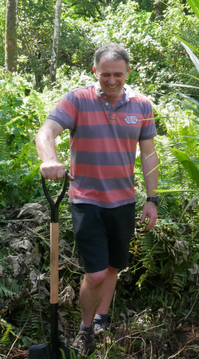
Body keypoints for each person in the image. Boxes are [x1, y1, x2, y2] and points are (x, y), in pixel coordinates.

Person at [35, 43, 159, 356]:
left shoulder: (142, 106)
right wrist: (50, 158)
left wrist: (152, 198)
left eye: (118, 74)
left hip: (123, 202)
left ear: (128, 72)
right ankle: (86, 328)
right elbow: (46, 131)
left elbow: (149, 155)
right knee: (95, 273)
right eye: (106, 74)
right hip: (86, 200)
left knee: (114, 267)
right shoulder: (77, 100)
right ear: (95, 72)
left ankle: (102, 319)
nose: (112, 80)